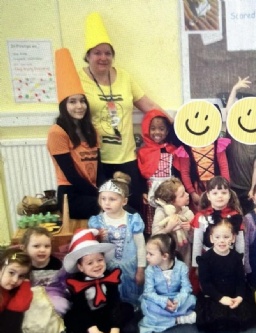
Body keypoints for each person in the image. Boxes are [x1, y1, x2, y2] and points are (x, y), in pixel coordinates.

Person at [79, 12, 166, 213]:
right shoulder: (78, 79)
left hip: (127, 157)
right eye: (97, 53)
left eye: (108, 53)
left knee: (134, 210)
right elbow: (70, 115)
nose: (103, 58)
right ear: (88, 55)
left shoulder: (124, 77)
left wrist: (174, 125)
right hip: (96, 159)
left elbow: (148, 105)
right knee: (105, 212)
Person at [47, 48, 104, 219]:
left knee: (123, 207)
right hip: (71, 195)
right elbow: (71, 175)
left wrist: (105, 191)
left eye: (82, 101)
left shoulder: (91, 130)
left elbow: (100, 169)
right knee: (118, 209)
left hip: (93, 192)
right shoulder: (57, 132)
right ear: (64, 106)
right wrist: (100, 195)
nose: (79, 106)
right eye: (72, 102)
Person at [63, 228, 138, 333]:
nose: (97, 265)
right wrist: (94, 332)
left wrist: (115, 329)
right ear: (80, 267)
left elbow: (114, 302)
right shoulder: (76, 282)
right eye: (90, 263)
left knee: (128, 314)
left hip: (107, 312)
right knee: (73, 320)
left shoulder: (110, 276)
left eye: (100, 260)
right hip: (88, 315)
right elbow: (81, 308)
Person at [88, 173, 146, 308]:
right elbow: (93, 249)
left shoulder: (133, 220)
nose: (106, 203)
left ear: (124, 201)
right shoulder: (97, 222)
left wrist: (140, 269)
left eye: (112, 199)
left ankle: (132, 311)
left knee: (131, 298)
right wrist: (98, 238)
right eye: (103, 198)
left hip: (131, 267)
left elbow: (141, 246)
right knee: (112, 297)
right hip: (108, 267)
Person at [196, 219, 256, 333]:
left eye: (226, 237)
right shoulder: (205, 259)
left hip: (233, 294)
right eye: (217, 237)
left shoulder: (236, 257)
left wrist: (239, 297)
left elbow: (240, 281)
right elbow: (206, 285)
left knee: (246, 315)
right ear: (211, 239)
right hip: (214, 296)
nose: (222, 241)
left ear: (233, 238)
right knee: (216, 318)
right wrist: (221, 298)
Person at [139, 234, 197, 333]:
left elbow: (186, 288)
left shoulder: (181, 267)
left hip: (176, 298)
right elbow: (148, 292)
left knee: (191, 299)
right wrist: (163, 302)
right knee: (147, 305)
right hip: (158, 300)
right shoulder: (150, 270)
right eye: (147, 253)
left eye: (151, 254)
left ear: (165, 256)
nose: (147, 257)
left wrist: (178, 301)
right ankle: (178, 319)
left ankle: (166, 319)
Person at [20, 227, 69, 333]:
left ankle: (56, 329)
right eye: (36, 246)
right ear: (25, 248)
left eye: (47, 246)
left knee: (62, 305)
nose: (42, 250)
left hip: (52, 293)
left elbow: (63, 281)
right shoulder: (23, 264)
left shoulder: (56, 263)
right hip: (32, 294)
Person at [225, 77, 256, 215]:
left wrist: (253, 188)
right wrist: (234, 90)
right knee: (233, 217)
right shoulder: (233, 132)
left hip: (247, 187)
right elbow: (229, 112)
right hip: (231, 186)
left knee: (248, 218)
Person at [137, 109, 181, 234]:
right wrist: (143, 191)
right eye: (153, 129)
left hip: (170, 190)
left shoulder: (172, 149)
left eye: (161, 129)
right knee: (154, 221)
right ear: (147, 129)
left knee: (170, 216)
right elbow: (140, 174)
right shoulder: (143, 152)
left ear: (167, 131)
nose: (157, 132)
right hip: (152, 192)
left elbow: (177, 171)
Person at [175, 119, 231, 213]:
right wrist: (192, 192)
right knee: (201, 213)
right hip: (198, 189)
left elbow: (224, 167)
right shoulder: (186, 149)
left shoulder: (217, 145)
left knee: (219, 211)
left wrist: (225, 187)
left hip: (217, 186)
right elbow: (185, 173)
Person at [191, 176, 244, 268]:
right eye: (215, 193)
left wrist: (241, 263)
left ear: (229, 195)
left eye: (224, 192)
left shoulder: (235, 216)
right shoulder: (201, 217)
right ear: (208, 195)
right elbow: (197, 242)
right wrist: (196, 265)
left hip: (229, 261)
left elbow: (240, 243)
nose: (220, 196)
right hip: (208, 261)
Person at [0, 249, 36, 333]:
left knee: (15, 310)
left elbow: (20, 305)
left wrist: (25, 282)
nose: (15, 280)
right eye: (11, 273)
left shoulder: (11, 287)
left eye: (21, 276)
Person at [152, 178, 194, 267]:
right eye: (182, 195)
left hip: (184, 256)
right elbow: (154, 237)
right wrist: (168, 229)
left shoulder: (188, 213)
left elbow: (193, 239)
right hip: (164, 259)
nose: (187, 195)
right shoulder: (161, 212)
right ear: (171, 201)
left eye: (185, 192)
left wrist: (190, 229)